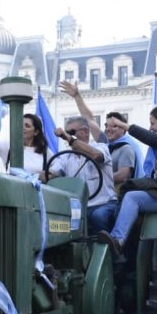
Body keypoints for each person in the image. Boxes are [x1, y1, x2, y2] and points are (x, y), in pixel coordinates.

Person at [98, 103, 157, 256]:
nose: (151, 127)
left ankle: (118, 239)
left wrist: (124, 125)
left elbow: (151, 138)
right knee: (127, 195)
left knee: (132, 198)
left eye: (152, 123)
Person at [55, 81, 119, 234]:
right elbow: (53, 173)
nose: (67, 137)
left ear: (84, 132)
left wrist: (69, 139)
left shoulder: (101, 147)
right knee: (58, 223)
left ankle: (108, 250)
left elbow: (97, 156)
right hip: (78, 207)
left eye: (71, 132)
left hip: (104, 204)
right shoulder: (65, 157)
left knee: (98, 216)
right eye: (67, 133)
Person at [0, 112, 55, 177]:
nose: (22, 128)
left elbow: (59, 169)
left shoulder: (45, 152)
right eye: (20, 124)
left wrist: (45, 176)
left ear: (36, 132)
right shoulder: (9, 146)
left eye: (27, 126)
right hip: (13, 190)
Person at [104, 112, 138, 188]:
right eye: (106, 126)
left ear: (123, 129)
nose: (108, 129)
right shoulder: (106, 147)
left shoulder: (126, 148)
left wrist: (99, 178)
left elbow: (123, 176)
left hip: (118, 197)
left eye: (114, 126)